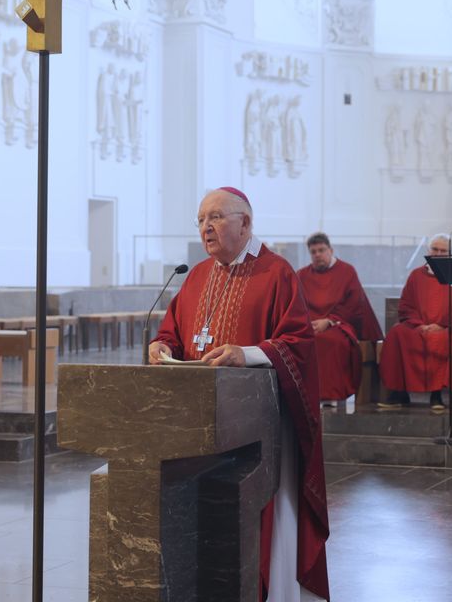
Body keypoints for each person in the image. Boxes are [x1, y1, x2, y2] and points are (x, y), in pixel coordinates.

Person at [149, 187, 329, 602]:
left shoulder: (277, 273)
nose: (205, 228)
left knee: (257, 530)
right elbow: (172, 331)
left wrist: (247, 354)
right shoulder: (196, 276)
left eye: (215, 217)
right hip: (197, 425)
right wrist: (162, 347)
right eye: (200, 220)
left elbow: (298, 343)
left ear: (245, 223)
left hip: (259, 427)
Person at [377, 235, 452, 410]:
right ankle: (400, 393)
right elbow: (406, 305)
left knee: (450, 339)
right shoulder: (416, 275)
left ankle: (436, 395)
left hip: (447, 328)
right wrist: (419, 324)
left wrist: (442, 325)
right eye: (435, 249)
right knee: (397, 334)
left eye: (443, 251)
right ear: (428, 251)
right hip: (419, 327)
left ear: (450, 254)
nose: (438, 254)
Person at [296, 232, 383, 406]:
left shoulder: (347, 271)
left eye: (322, 250)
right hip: (310, 325)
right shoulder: (302, 275)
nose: (318, 255)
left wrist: (328, 321)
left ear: (331, 250)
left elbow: (353, 305)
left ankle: (330, 396)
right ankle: (304, 395)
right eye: (313, 252)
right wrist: (308, 323)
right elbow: (296, 304)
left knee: (331, 342)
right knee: (300, 341)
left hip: (339, 324)